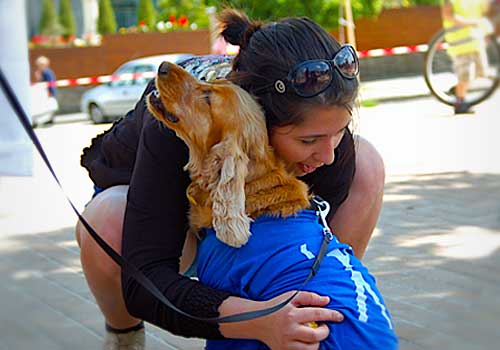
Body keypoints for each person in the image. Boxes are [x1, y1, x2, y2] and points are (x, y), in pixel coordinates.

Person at [76, 9, 385, 350]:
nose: (328, 155)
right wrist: (256, 321)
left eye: (338, 131)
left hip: (255, 197)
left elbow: (330, 151)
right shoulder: (180, 114)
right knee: (108, 221)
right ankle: (124, 337)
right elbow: (146, 284)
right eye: (308, 141)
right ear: (259, 123)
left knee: (366, 163)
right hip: (165, 204)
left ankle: (310, 314)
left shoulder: (328, 144)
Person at [441, 0, 492, 114]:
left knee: (481, 73)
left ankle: (459, 89)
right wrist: (468, 23)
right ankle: (460, 103)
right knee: (466, 75)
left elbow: (483, 13)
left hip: (476, 43)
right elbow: (448, 15)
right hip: (460, 46)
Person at [33, 55, 58, 125]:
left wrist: (51, 92)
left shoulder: (47, 72)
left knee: (49, 105)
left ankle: (50, 119)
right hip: (45, 92)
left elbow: (50, 83)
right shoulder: (43, 72)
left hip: (48, 92)